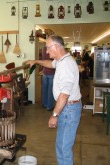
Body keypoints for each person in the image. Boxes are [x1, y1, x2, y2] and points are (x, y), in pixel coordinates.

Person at [27, 35, 82, 165]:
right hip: (67, 108)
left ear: (56, 46)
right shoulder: (62, 60)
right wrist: (36, 61)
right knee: (62, 145)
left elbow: (64, 95)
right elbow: (50, 64)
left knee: (63, 148)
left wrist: (55, 115)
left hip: (68, 109)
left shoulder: (66, 65)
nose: (46, 51)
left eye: (48, 48)